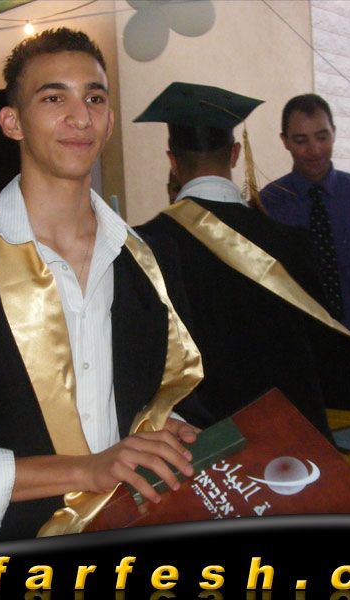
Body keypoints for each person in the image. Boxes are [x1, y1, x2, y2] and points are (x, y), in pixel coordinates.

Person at [0, 28, 210, 546]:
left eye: (95, 98)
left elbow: (171, 396)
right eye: (54, 98)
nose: (80, 117)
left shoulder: (147, 262)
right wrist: (87, 469)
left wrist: (169, 428)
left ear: (108, 120)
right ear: (12, 122)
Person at [134, 82, 329, 436]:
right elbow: (321, 348)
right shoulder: (291, 243)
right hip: (289, 440)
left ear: (172, 161)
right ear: (236, 153)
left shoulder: (145, 246)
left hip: (201, 444)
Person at [261, 94, 350, 412]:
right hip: (292, 352)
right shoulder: (267, 205)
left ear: (334, 133)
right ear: (285, 141)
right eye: (301, 140)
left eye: (322, 137)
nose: (314, 150)